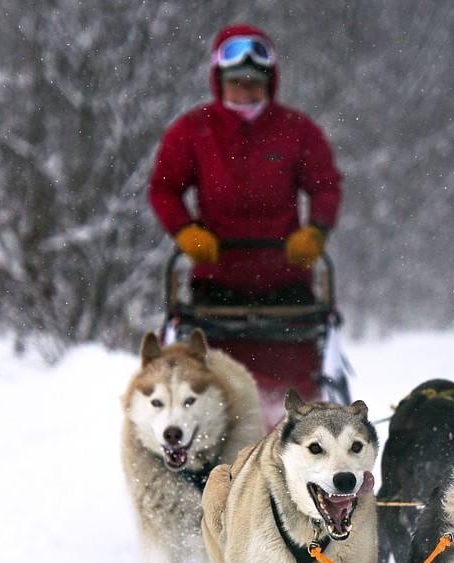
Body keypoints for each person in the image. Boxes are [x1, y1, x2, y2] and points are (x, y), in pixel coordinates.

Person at [148, 24, 345, 426]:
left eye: (255, 83)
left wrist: (316, 230)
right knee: (210, 382)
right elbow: (163, 188)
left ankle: (299, 441)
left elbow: (326, 184)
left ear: (270, 83)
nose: (245, 90)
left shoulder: (296, 130)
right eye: (236, 82)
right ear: (219, 82)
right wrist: (185, 231)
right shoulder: (193, 131)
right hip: (217, 284)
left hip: (286, 283)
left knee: (297, 384)